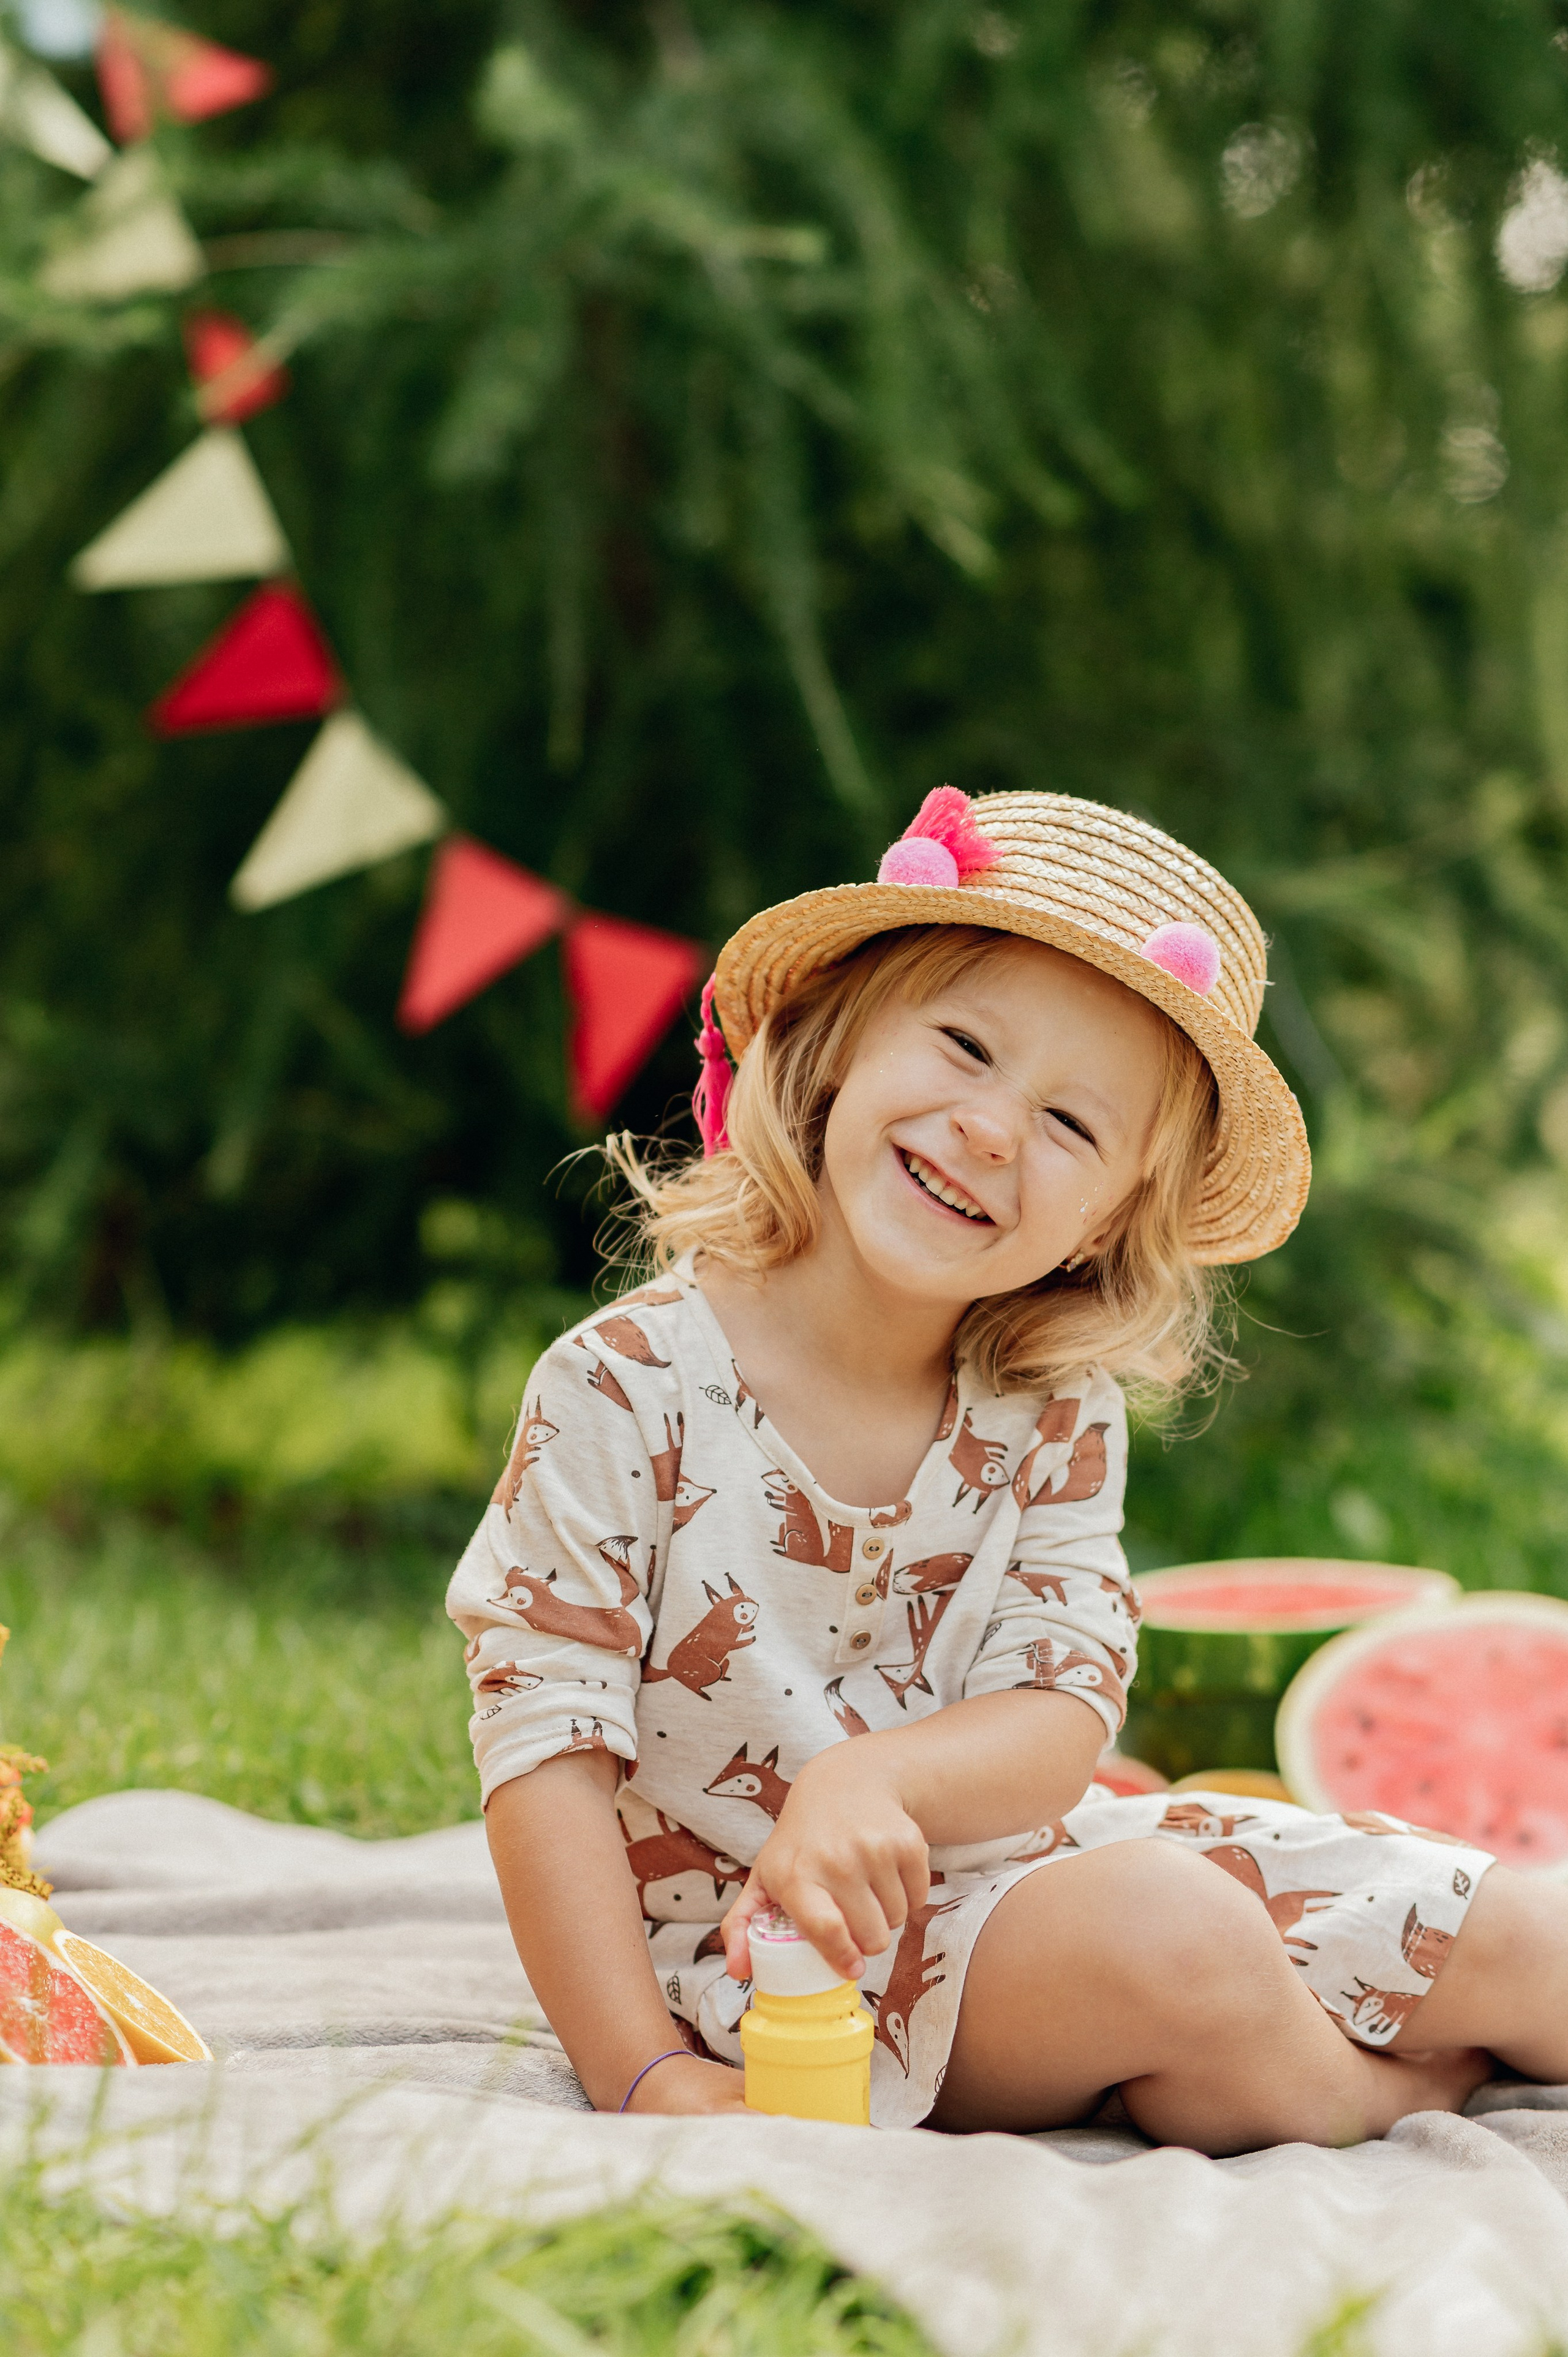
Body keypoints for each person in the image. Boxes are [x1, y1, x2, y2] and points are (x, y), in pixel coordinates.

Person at [449, 788, 1567, 2151]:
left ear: (1111, 1220)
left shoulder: (1048, 1403)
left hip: (1038, 1871)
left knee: (1523, 1928)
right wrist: (636, 2072)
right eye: (964, 1046)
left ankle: (1303, 2039)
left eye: (1071, 1126)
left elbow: (1058, 1705)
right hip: (777, 1965)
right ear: (836, 1047)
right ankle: (1384, 2089)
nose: (989, 1128)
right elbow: (543, 1750)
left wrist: (878, 1781)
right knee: (1182, 1936)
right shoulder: (620, 1386)